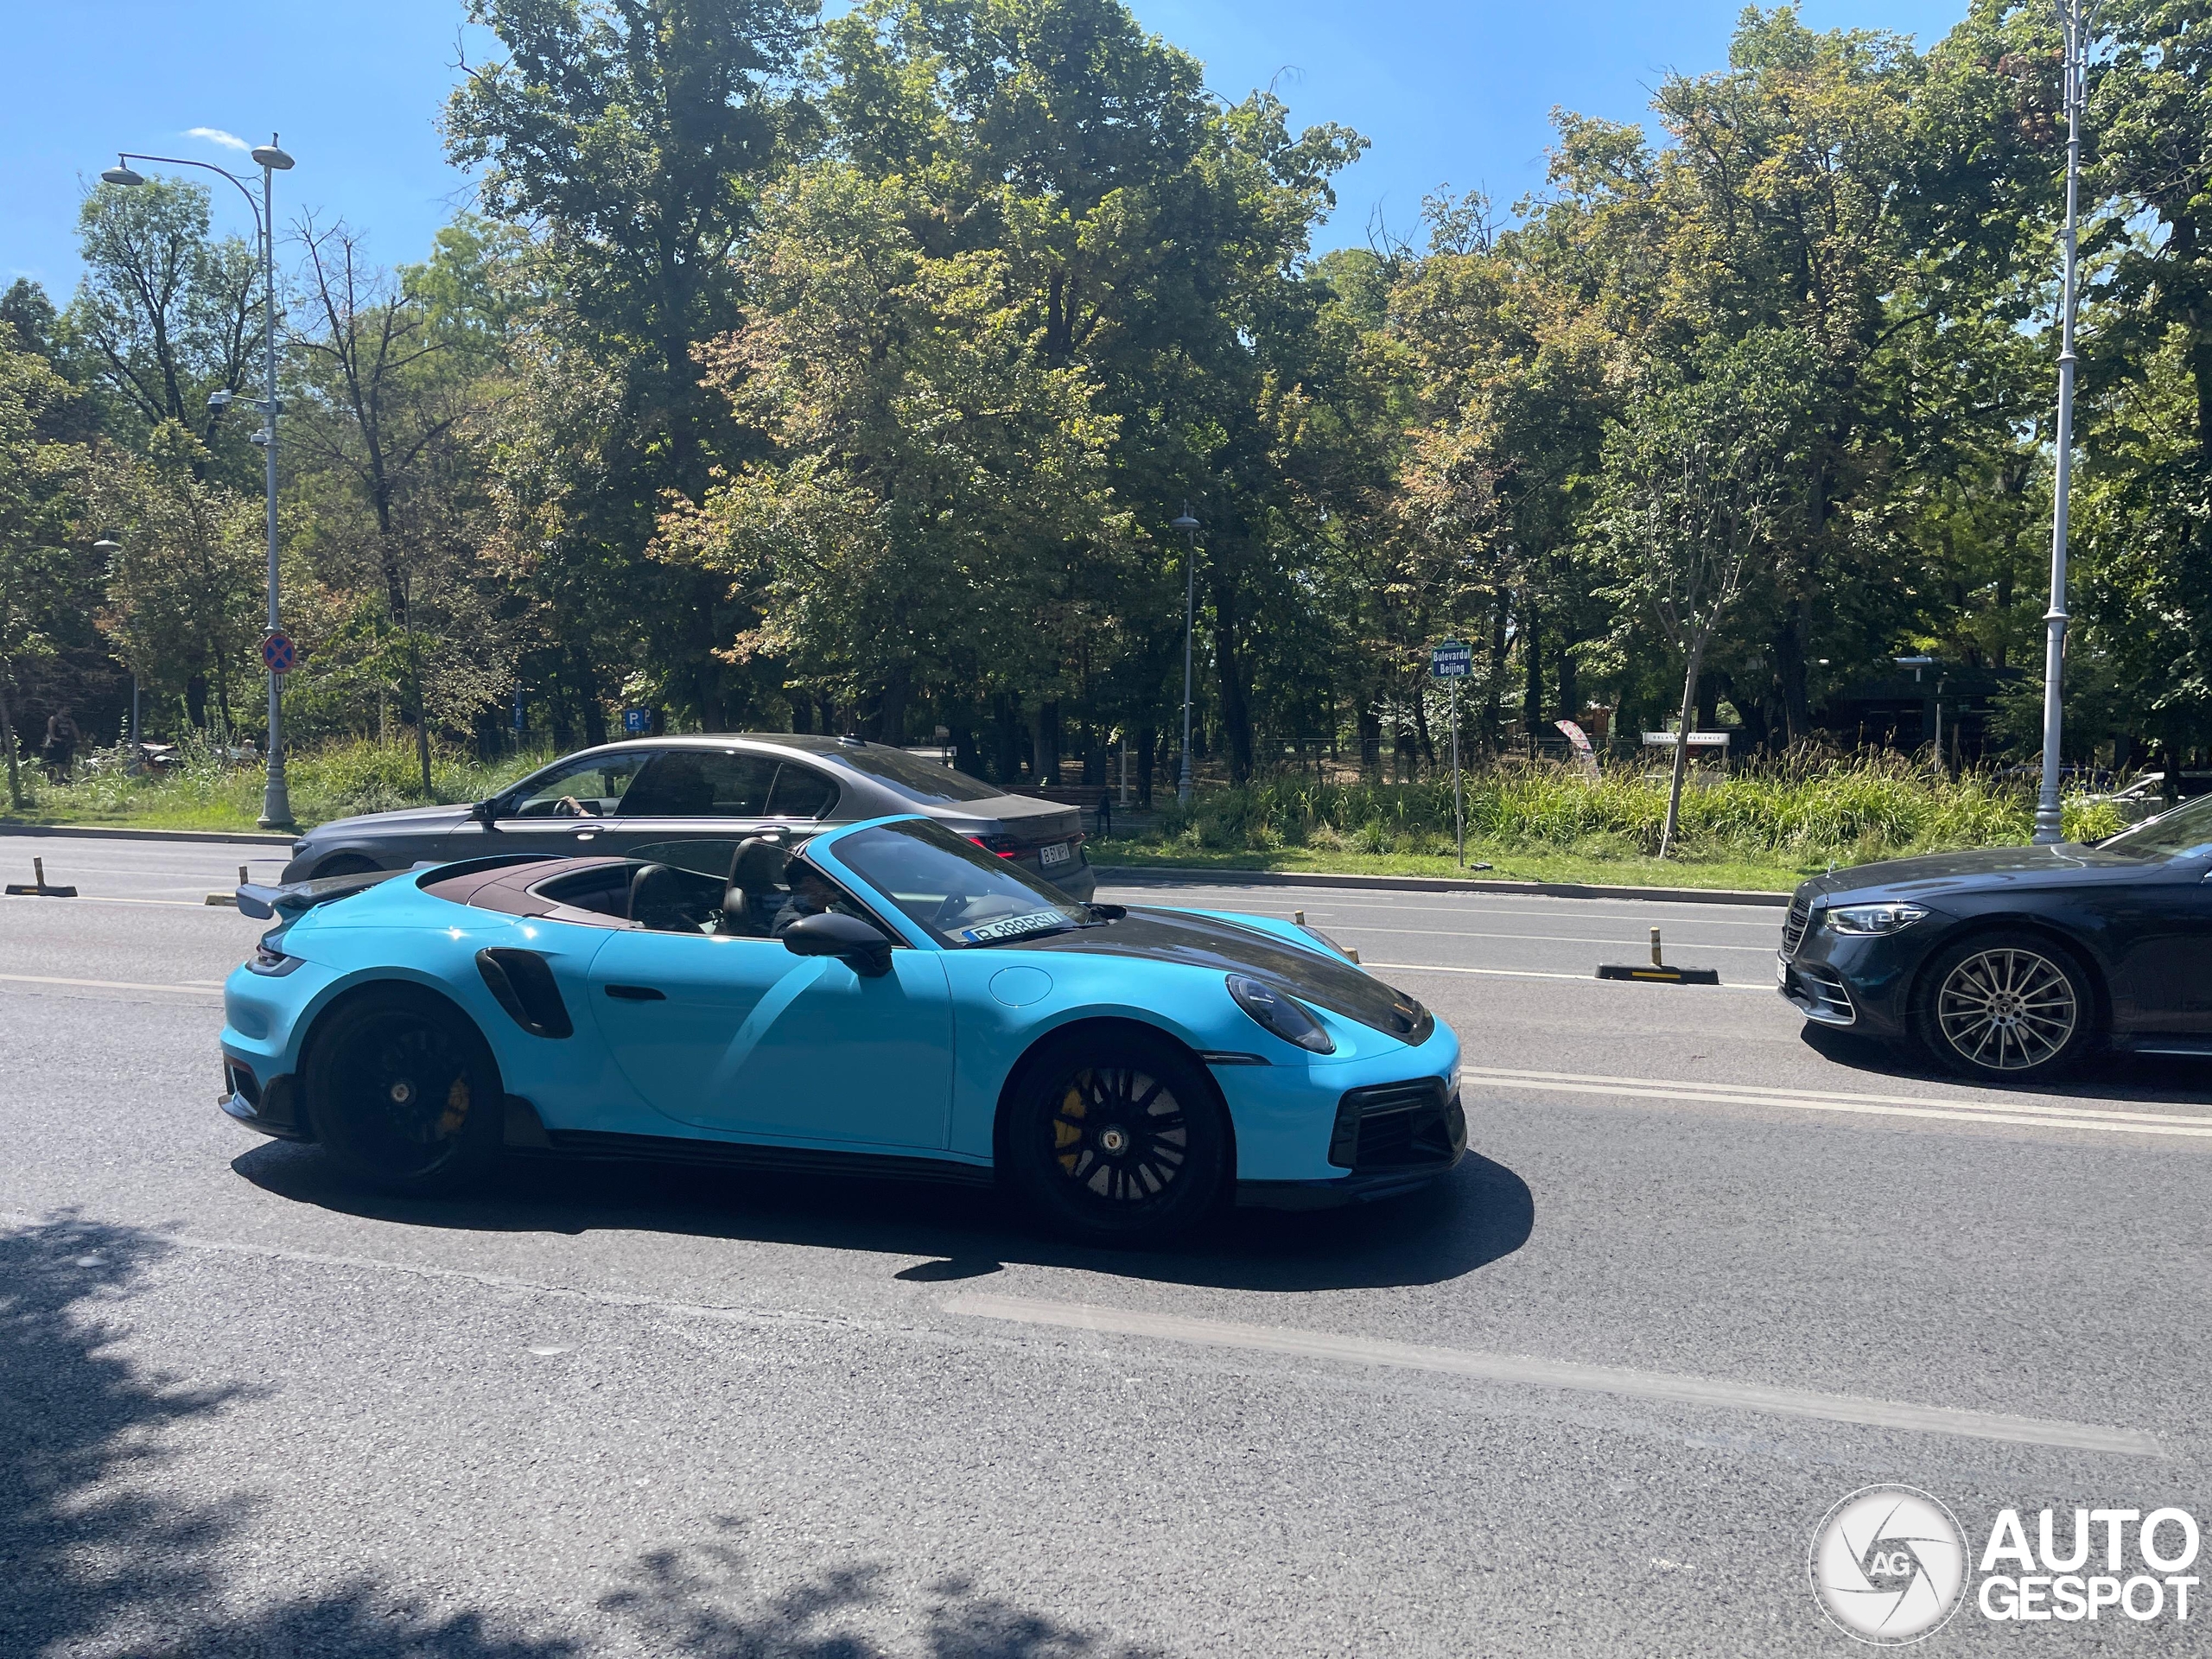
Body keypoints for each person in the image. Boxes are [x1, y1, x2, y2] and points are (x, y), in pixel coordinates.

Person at [41, 707, 79, 783]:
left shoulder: (70, 721)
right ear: (60, 710)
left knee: (62, 760)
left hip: (64, 742)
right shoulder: (54, 719)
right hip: (52, 743)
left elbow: (75, 730)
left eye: (69, 710)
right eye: (67, 710)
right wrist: (55, 738)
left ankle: (61, 777)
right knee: (52, 761)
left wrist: (78, 740)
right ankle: (50, 779)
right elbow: (51, 731)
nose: (69, 712)